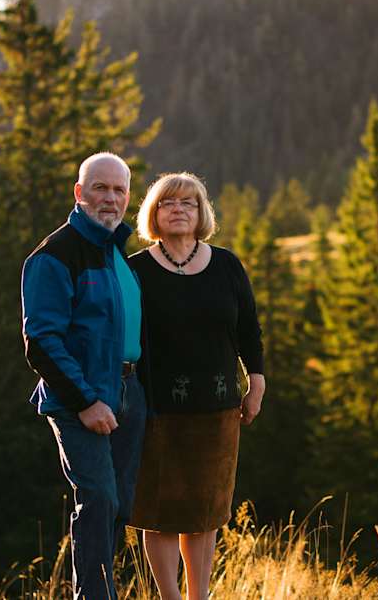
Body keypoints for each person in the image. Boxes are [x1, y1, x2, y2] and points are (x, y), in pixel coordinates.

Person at [127, 172, 265, 600]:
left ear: (202, 212)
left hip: (220, 409)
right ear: (154, 213)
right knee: (162, 513)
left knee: (206, 512)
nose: (179, 209)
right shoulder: (136, 270)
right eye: (168, 203)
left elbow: (249, 331)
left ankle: (198, 597)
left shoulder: (226, 264)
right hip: (157, 411)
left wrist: (255, 380)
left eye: (189, 202)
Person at [21, 152, 148, 599]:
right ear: (79, 192)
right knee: (98, 500)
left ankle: (100, 591)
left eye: (119, 190)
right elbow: (41, 341)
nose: (110, 198)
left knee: (120, 507)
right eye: (100, 187)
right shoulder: (55, 255)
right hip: (81, 400)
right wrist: (86, 401)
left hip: (128, 394)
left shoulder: (117, 252)